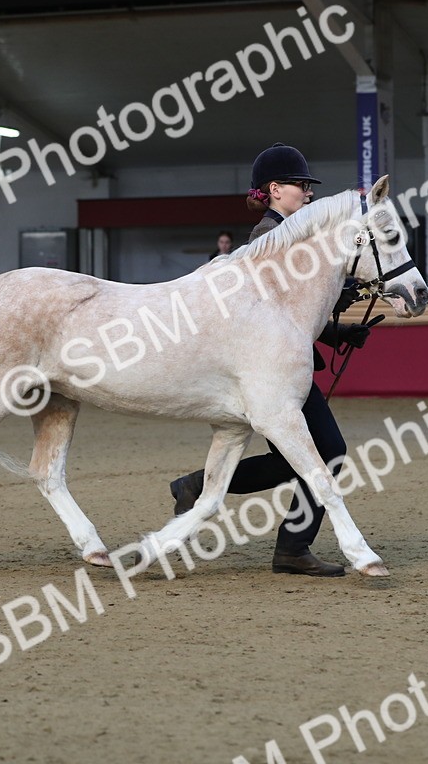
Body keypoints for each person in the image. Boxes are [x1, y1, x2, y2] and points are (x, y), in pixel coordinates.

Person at [169, 143, 372, 577]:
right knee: (327, 450)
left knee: (295, 459)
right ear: (275, 189)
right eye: (301, 185)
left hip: (283, 368)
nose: (308, 193)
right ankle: (291, 547)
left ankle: (206, 493)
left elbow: (295, 316)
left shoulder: (294, 235)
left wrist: (338, 330)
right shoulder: (268, 237)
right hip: (268, 373)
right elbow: (272, 316)